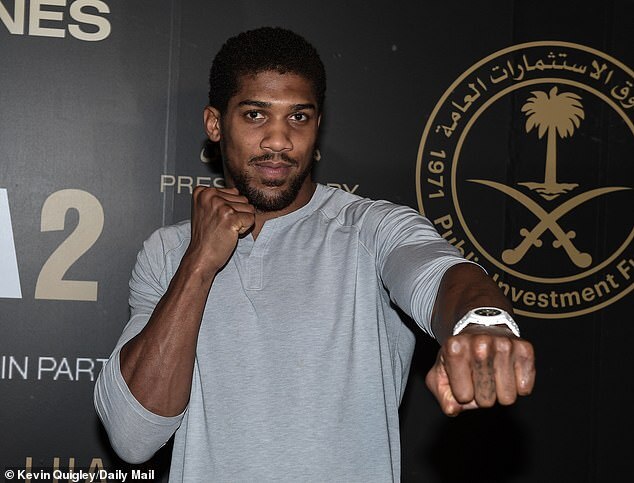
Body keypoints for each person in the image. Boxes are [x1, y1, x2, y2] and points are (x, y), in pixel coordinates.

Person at [95, 27, 535, 482]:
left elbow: (440, 273)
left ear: (317, 124)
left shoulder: (370, 228)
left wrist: (483, 324)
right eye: (255, 115)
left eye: (298, 117)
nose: (279, 140)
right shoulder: (168, 253)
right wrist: (199, 263)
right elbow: (132, 438)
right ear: (215, 123)